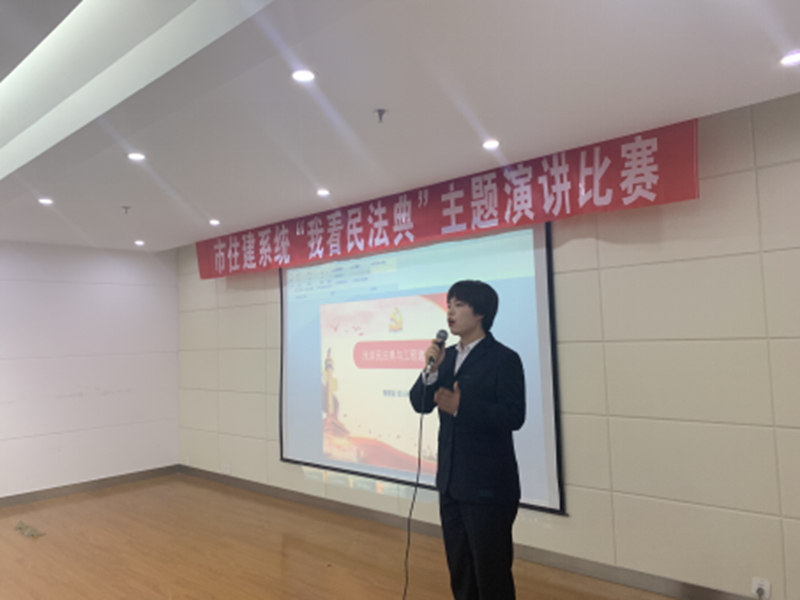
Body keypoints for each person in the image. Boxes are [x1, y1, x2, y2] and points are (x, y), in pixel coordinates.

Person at [409, 280, 525, 600]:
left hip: (488, 487)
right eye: (448, 305)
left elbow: (514, 416)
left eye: (459, 305)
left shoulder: (503, 358)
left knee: (491, 574)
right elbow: (420, 403)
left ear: (481, 313)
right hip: (450, 483)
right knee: (460, 571)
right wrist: (431, 371)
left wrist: (463, 407)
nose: (450, 312)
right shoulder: (444, 358)